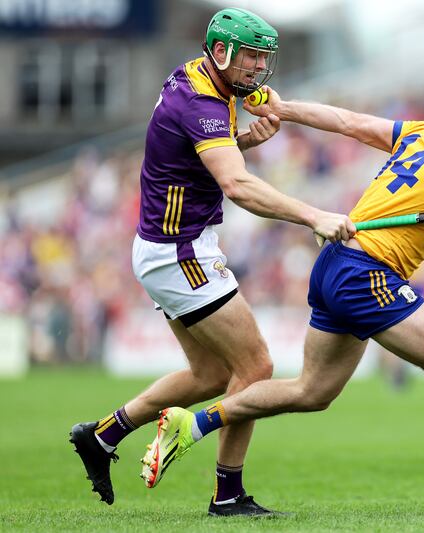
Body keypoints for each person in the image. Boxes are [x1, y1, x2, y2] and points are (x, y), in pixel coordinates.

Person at [140, 90, 424, 516]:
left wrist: (285, 109)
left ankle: (193, 424)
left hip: (334, 264)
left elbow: (347, 121)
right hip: (366, 273)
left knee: (312, 391)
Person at [69, 8, 355, 517]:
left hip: (168, 246)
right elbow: (237, 185)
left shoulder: (199, 78)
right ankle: (227, 495)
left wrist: (242, 141)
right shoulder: (202, 100)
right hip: (181, 251)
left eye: (264, 58)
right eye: (250, 57)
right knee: (257, 366)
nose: (258, 69)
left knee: (208, 375)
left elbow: (197, 154)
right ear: (220, 52)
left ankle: (102, 436)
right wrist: (314, 215)